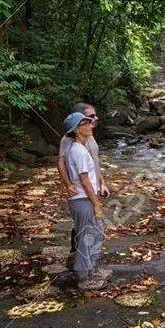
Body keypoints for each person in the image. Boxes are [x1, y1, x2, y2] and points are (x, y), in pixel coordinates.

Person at [57, 102, 109, 270]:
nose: (95, 119)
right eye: (90, 117)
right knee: (85, 230)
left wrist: (102, 182)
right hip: (83, 194)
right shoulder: (70, 141)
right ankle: (81, 268)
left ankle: (86, 264)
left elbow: (94, 163)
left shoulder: (89, 137)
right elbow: (62, 163)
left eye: (93, 116)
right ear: (79, 124)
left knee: (94, 229)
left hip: (90, 191)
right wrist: (68, 184)